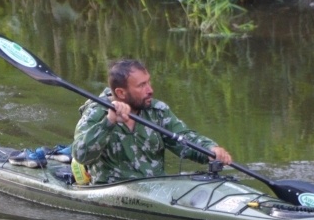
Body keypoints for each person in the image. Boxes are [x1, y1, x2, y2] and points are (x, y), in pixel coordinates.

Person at [72, 58, 232, 184]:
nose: (150, 90)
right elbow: (81, 155)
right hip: (112, 193)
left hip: (156, 190)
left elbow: (184, 138)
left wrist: (210, 149)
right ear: (121, 93)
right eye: (142, 86)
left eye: (148, 82)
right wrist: (109, 122)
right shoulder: (96, 112)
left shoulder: (158, 111)